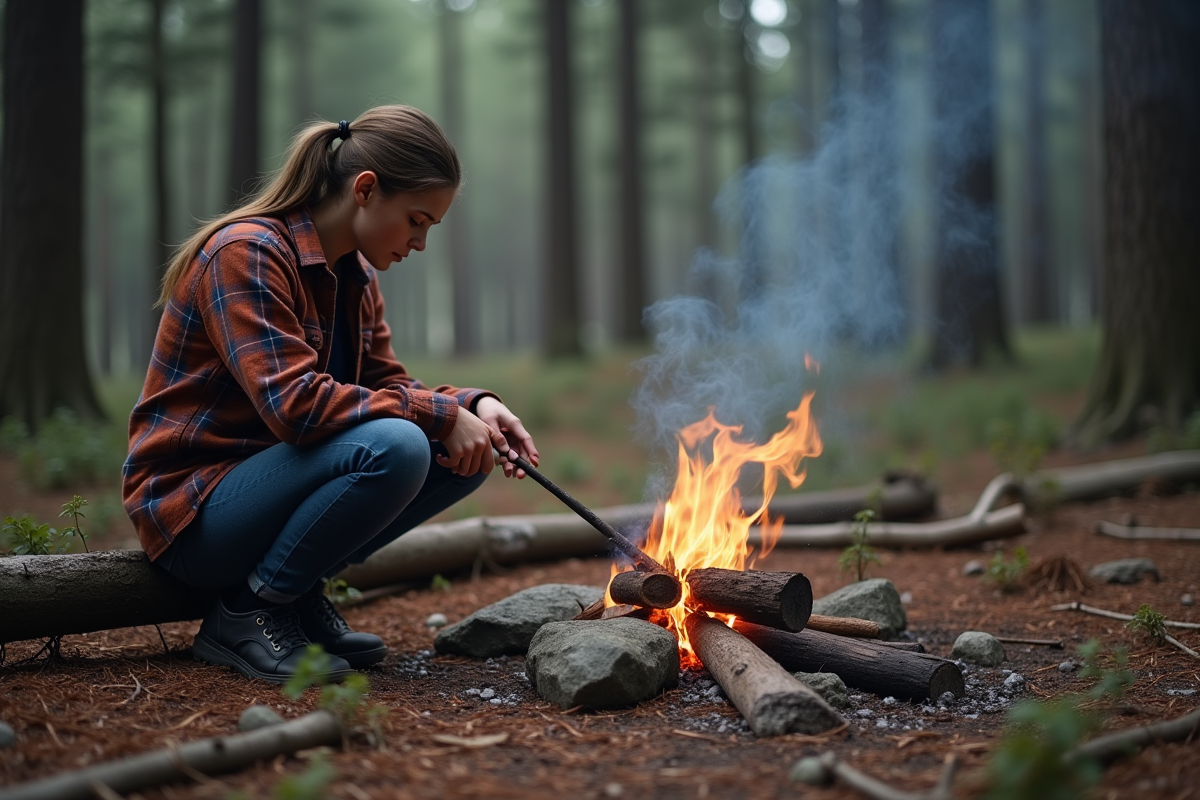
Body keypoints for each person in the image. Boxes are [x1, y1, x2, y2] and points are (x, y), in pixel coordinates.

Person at [122, 105, 538, 683]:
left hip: (272, 491)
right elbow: (295, 407)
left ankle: (294, 590)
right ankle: (252, 610)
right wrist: (438, 413)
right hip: (197, 513)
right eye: (416, 220)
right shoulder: (246, 253)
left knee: (461, 454)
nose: (420, 242)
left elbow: (389, 387)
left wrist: (472, 406)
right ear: (365, 190)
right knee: (398, 444)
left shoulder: (355, 276)